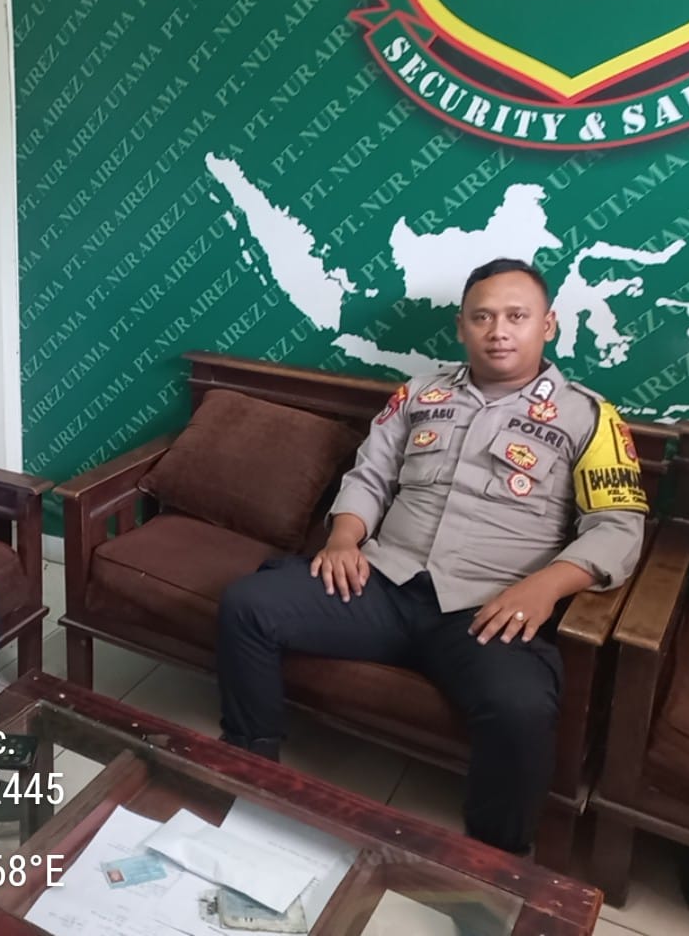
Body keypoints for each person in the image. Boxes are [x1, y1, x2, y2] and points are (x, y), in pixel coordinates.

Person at [216, 258, 647, 857]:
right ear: (461, 327)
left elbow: (619, 527)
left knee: (521, 707)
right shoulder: (421, 394)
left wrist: (546, 586)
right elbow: (370, 476)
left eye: (517, 316)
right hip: (382, 583)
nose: (499, 331)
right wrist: (343, 539)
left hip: (486, 609)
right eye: (483, 317)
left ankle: (493, 862)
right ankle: (250, 770)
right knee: (249, 604)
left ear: (547, 325)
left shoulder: (591, 417)